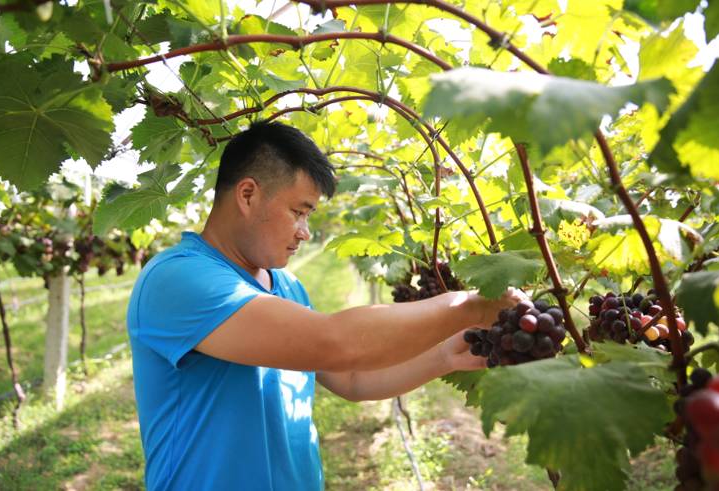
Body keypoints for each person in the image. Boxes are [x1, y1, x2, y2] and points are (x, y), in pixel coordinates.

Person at [126, 121, 524, 490]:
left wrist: (443, 357)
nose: (304, 231)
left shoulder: (287, 286)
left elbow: (350, 377)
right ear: (247, 195)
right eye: (298, 212)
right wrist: (468, 307)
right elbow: (334, 342)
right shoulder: (177, 280)